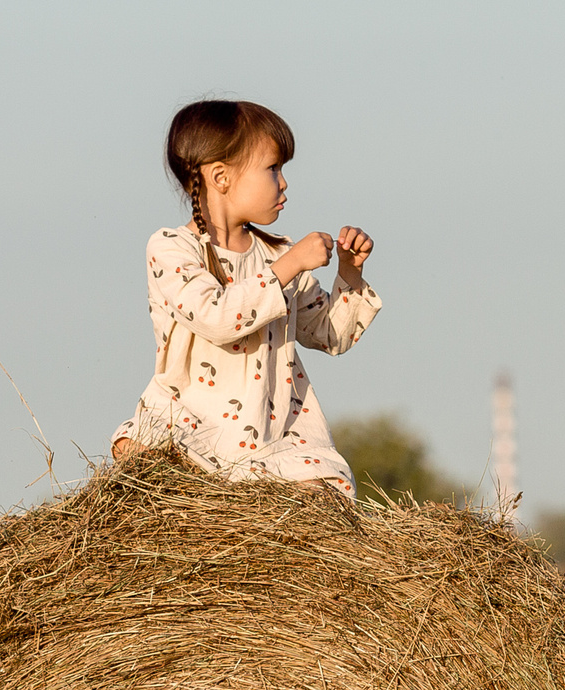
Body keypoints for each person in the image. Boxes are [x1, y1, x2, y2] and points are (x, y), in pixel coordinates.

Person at [107, 99, 378, 500]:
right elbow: (217, 317)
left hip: (272, 429)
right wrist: (291, 264)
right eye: (273, 168)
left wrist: (349, 272)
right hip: (191, 418)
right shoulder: (172, 249)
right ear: (220, 176)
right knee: (135, 454)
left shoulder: (278, 253)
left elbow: (330, 335)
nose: (283, 182)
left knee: (321, 496)